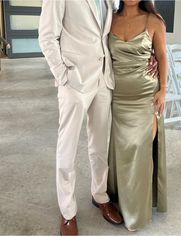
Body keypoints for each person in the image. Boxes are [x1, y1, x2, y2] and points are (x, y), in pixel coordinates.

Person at [38, 0, 123, 235]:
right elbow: (46, 36)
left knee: (99, 145)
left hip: (103, 80)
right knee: (67, 148)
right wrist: (63, 76)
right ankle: (67, 212)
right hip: (75, 82)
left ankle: (100, 194)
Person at [108, 0, 168, 231]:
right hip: (116, 98)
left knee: (141, 152)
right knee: (121, 152)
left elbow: (162, 56)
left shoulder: (154, 20)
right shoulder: (109, 18)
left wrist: (163, 90)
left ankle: (137, 212)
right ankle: (119, 200)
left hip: (145, 97)